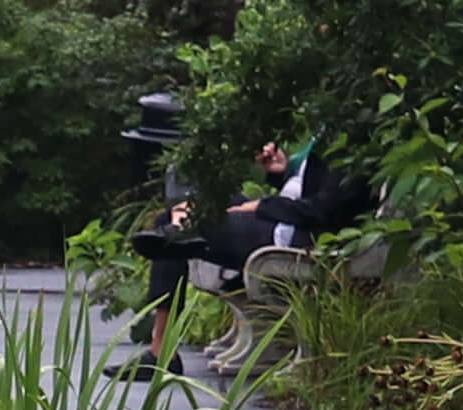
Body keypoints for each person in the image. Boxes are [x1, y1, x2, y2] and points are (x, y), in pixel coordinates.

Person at [117, 132, 373, 377]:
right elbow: (309, 191)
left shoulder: (355, 139)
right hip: (284, 222)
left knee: (186, 228)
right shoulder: (335, 129)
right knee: (187, 215)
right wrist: (281, 173)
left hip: (293, 238)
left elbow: (326, 212)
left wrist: (263, 206)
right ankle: (161, 347)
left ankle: (162, 353)